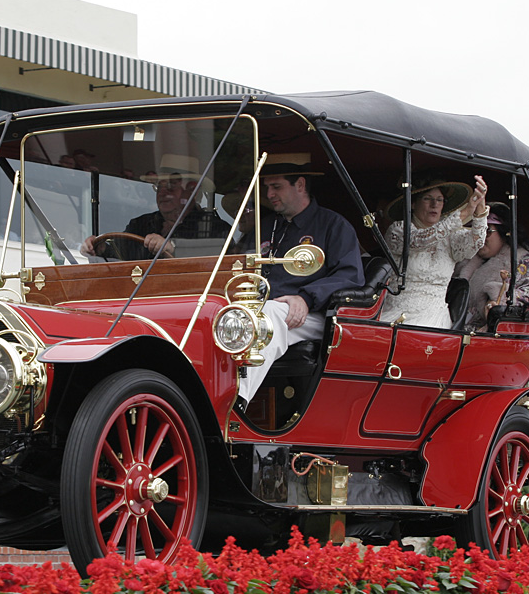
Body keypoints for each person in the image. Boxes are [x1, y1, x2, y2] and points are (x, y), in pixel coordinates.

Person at [236, 153, 364, 411]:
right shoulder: (264, 226)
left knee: (268, 315)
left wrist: (305, 297)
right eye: (267, 187)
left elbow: (350, 277)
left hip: (316, 315)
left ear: (301, 185)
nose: (270, 194)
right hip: (260, 309)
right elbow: (237, 267)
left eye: (277, 186)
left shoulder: (333, 225)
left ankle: (234, 401)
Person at [379, 173, 488, 328]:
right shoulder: (399, 230)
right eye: (427, 198)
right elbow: (421, 240)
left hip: (437, 320)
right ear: (413, 204)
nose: (434, 204)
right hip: (399, 316)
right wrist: (465, 212)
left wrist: (480, 210)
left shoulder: (451, 237)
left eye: (439, 200)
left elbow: (474, 244)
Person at [80, 154, 229, 260]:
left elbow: (221, 256)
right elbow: (120, 252)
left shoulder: (214, 228)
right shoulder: (140, 224)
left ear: (193, 191)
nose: (163, 192)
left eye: (171, 185)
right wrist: (99, 248)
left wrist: (171, 248)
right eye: (159, 185)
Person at [455, 202, 529, 331]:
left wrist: (496, 303)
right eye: (476, 231)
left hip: (491, 335)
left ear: (504, 233)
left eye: (487, 231)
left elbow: (527, 299)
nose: (481, 237)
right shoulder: (465, 262)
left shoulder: (525, 263)